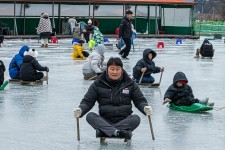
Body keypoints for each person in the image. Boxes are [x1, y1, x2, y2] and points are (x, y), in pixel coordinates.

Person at [74, 57, 152, 139]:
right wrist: (81, 110)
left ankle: (107, 131)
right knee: (90, 116)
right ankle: (118, 132)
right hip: (104, 121)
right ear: (107, 69)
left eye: (117, 69)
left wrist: (145, 107)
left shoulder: (130, 84)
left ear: (121, 70)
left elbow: (139, 100)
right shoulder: (98, 83)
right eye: (112, 69)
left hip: (125, 120)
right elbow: (88, 101)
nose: (115, 72)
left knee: (136, 118)